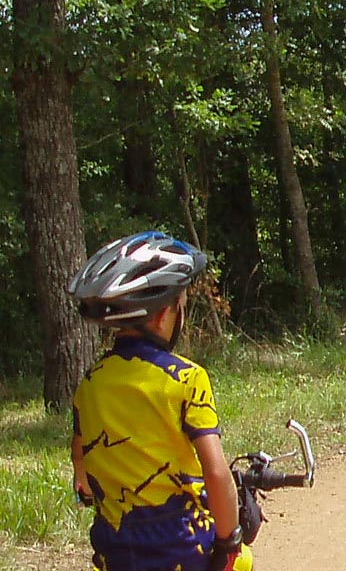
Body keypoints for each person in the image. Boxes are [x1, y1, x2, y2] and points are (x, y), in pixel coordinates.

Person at [67, 231, 249, 571]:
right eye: (181, 305)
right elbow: (215, 471)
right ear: (164, 314)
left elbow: (82, 462)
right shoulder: (187, 378)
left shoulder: (90, 383)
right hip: (182, 549)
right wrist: (230, 541)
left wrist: (89, 495)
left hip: (115, 548)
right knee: (243, 563)